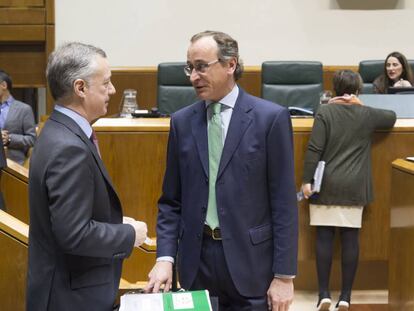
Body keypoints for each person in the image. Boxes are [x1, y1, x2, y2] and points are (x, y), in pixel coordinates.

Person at [145, 31, 298, 311]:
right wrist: (165, 257)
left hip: (252, 264)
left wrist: (284, 276)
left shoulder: (270, 119)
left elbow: (284, 203)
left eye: (202, 66)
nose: (193, 77)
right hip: (196, 262)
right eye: (190, 67)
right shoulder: (182, 122)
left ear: (230, 65)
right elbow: (171, 202)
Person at [26, 42, 148, 311]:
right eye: (106, 83)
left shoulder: (57, 129)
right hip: (70, 298)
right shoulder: (69, 147)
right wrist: (129, 234)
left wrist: (113, 221)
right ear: (80, 88)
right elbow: (74, 234)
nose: (113, 90)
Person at [301, 70, 396, 311]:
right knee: (350, 238)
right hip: (354, 185)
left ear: (334, 88)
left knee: (323, 237)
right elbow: (391, 117)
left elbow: (314, 149)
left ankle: (323, 294)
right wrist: (359, 103)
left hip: (326, 183)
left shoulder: (325, 111)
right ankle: (345, 297)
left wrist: (306, 181)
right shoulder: (366, 114)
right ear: (357, 91)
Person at [0, 70, 36, 165]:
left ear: (3, 85)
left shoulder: (24, 109)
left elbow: (32, 139)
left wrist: (9, 139)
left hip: (14, 165)